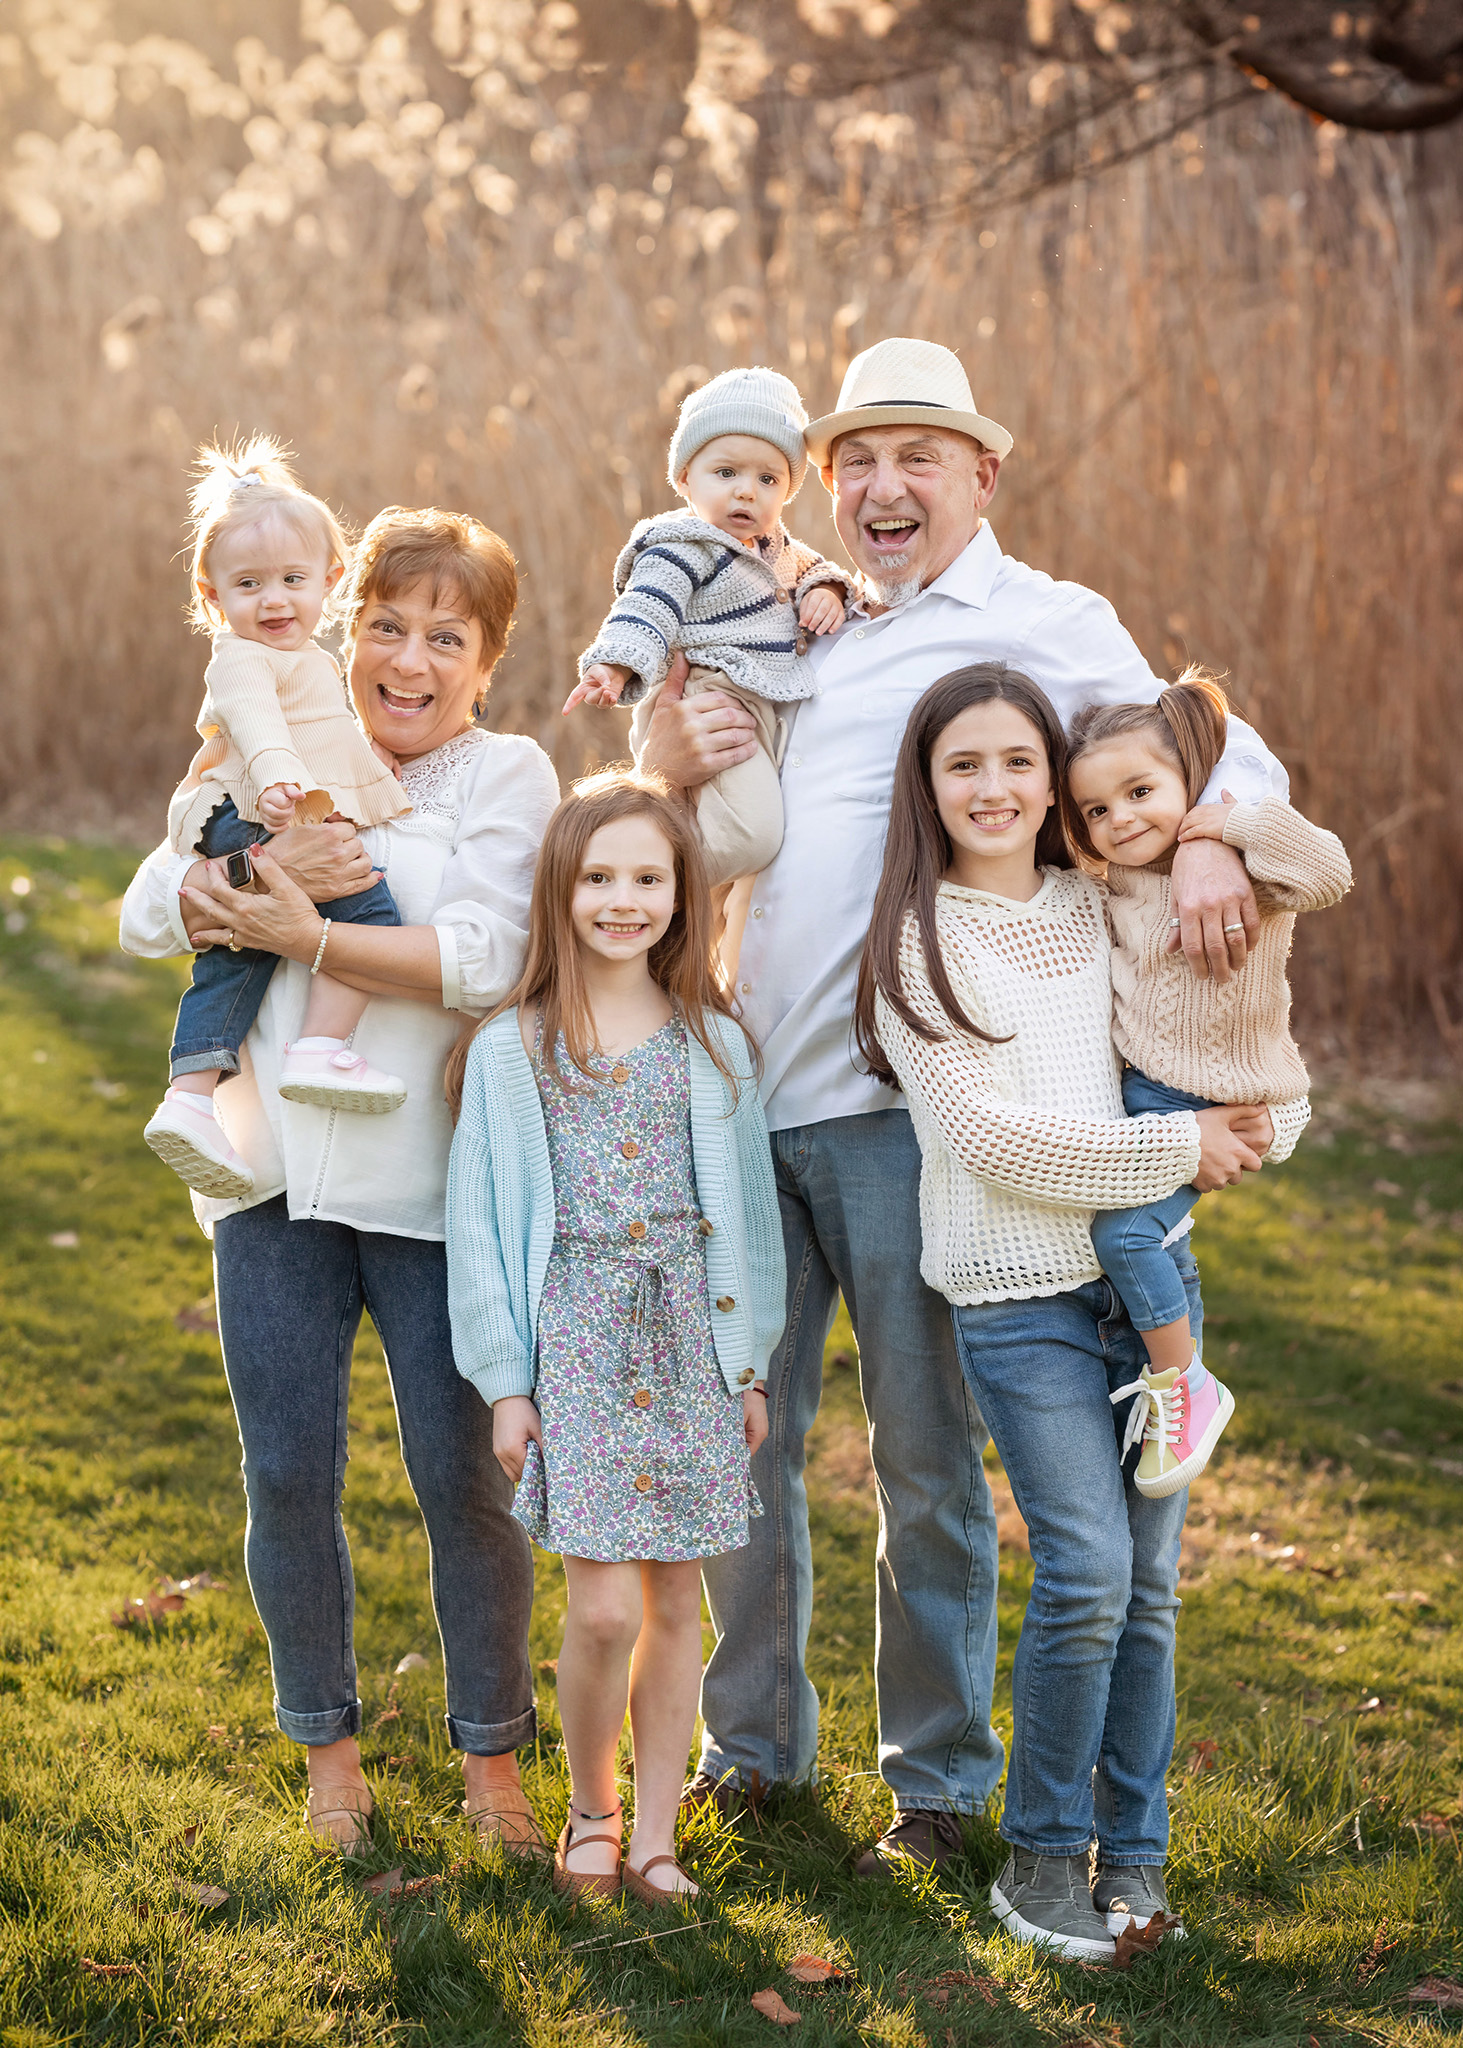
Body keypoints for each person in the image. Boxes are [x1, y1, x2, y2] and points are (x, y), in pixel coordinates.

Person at [636, 335, 1291, 1875]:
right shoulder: (800, 621)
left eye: (916, 456)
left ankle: (932, 1785)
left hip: (904, 1110)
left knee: (924, 1464)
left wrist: (1204, 837)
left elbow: (1221, 747)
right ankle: (753, 1752)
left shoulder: (1043, 622)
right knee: (748, 1444)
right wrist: (655, 752)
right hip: (743, 1088)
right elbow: (700, 821)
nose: (880, 485)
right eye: (854, 457)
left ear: (978, 478)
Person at [119, 505, 559, 1855]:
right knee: (288, 1475)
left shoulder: (509, 777)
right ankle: (331, 1760)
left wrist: (303, 928)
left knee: (462, 1481)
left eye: (446, 637)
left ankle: (492, 1771)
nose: (409, 660)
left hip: (435, 1191)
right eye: (386, 625)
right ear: (340, 627)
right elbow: (147, 909)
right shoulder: (277, 741)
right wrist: (255, 867)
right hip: (270, 1181)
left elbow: (487, 953)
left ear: (485, 661)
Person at [856, 664, 1306, 1956]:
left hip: (1145, 1290)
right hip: (1019, 1298)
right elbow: (991, 1141)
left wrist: (1215, 838)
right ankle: (1040, 1859)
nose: (992, 787)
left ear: (1051, 780)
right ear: (926, 787)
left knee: (1149, 1588)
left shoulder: (1101, 899)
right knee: (1087, 1569)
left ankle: (1136, 1857)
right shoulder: (913, 940)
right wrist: (1173, 1156)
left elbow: (1220, 1045)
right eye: (963, 766)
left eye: (1015, 762)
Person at [445, 772, 784, 1902]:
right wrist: (504, 1381)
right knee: (598, 1605)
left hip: (689, 1334)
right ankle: (586, 1807)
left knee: (676, 1600)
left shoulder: (714, 1048)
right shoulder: (511, 1049)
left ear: (682, 895)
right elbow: (481, 1231)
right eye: (599, 876)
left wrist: (749, 1365)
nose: (623, 898)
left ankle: (651, 1831)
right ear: (561, 889)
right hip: (577, 1335)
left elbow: (748, 1219)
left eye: (648, 877)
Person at [1065, 670, 1352, 1496]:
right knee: (1138, 1237)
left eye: (1139, 792)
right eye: (1096, 810)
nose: (1120, 818)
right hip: (1143, 1097)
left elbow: (1329, 870)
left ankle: (1184, 1384)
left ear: (1188, 786)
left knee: (1122, 1237)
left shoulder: (1242, 871)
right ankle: (1161, 1363)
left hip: (1207, 1097)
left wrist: (1230, 825)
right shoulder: (1113, 881)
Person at [144, 439, 415, 1201]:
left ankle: (191, 1098)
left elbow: (323, 730)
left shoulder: (310, 662)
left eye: (293, 581)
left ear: (330, 583)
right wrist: (279, 781)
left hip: (269, 810)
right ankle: (320, 1048)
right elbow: (261, 725)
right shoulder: (239, 658)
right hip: (258, 813)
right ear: (211, 596)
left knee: (239, 959)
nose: (273, 600)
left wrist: (368, 766)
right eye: (248, 584)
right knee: (370, 914)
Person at [565, 368, 853, 887]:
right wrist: (612, 664)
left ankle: (668, 882)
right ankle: (662, 887)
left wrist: (826, 592)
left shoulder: (775, 548)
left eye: (768, 479)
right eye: (726, 473)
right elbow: (646, 607)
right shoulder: (684, 544)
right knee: (753, 835)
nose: (747, 492)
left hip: (754, 704)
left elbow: (817, 569)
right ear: (684, 480)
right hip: (705, 693)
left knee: (728, 827)